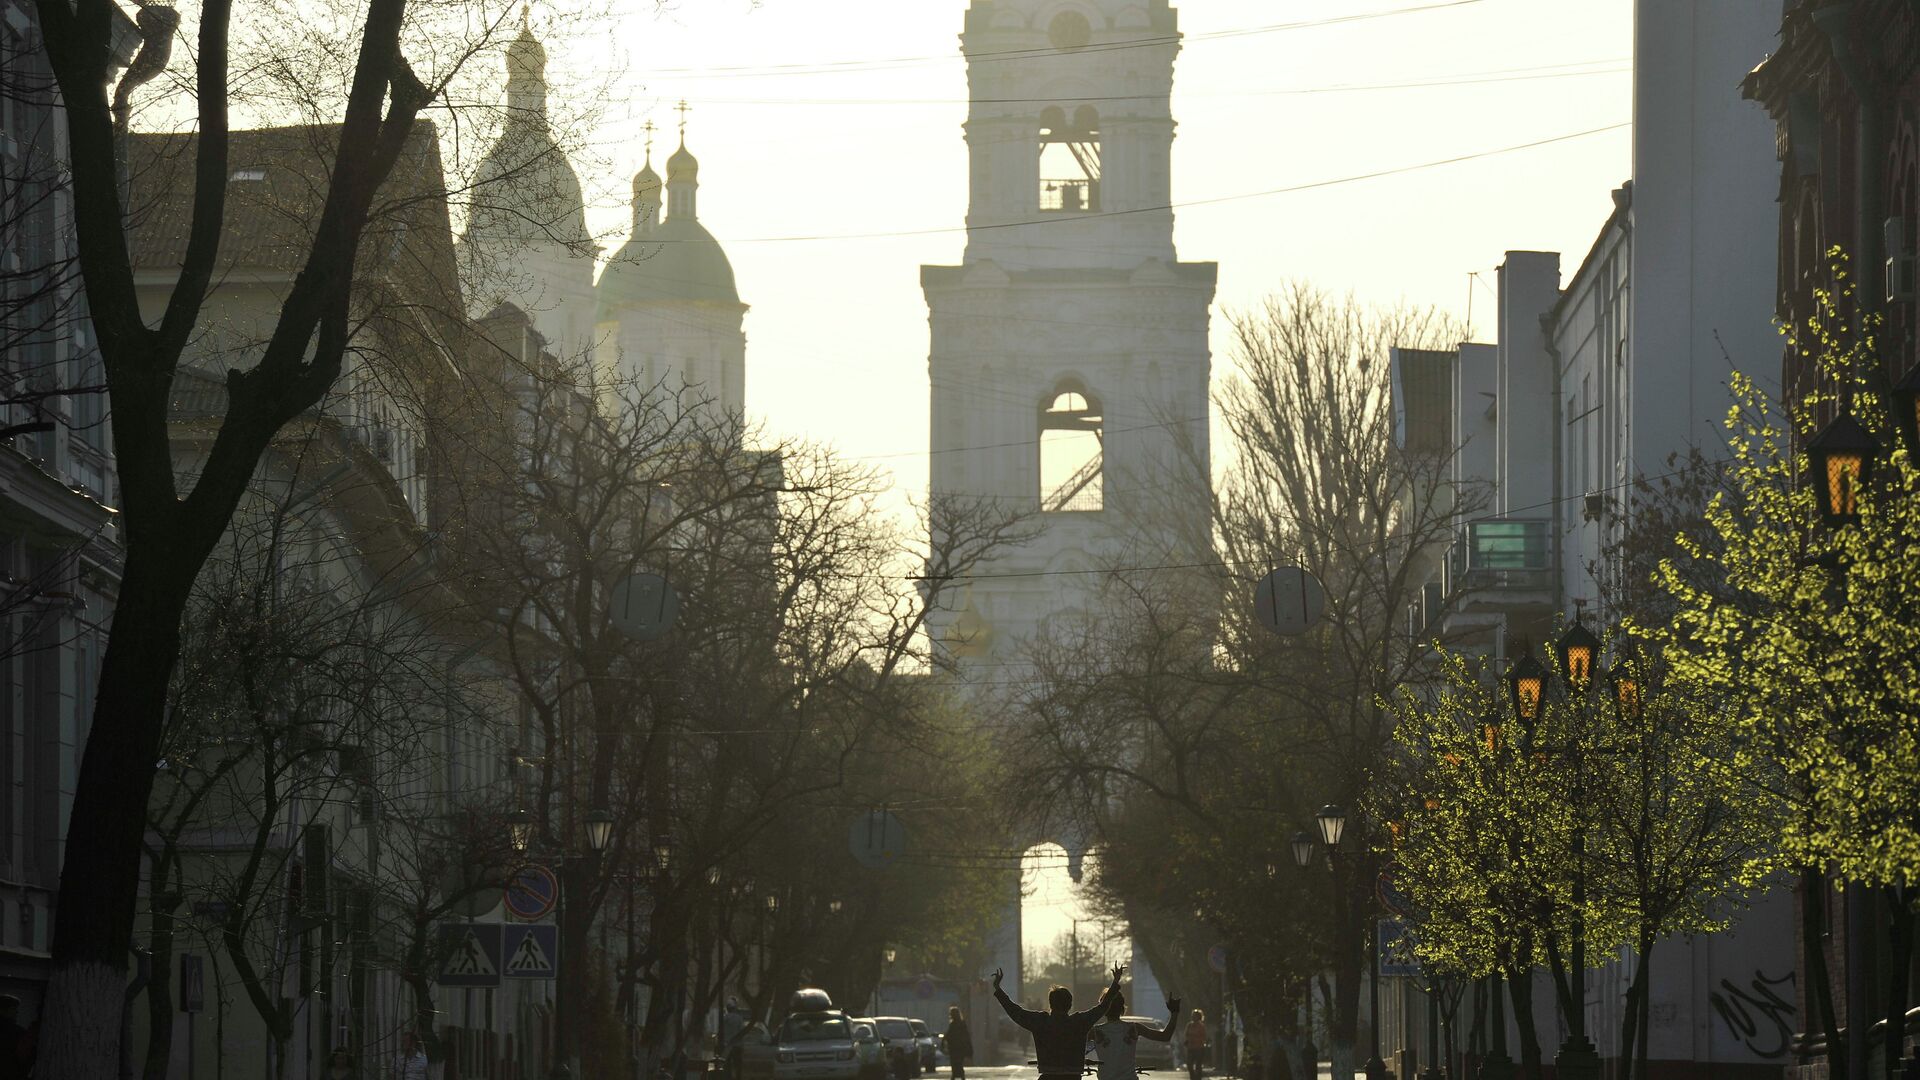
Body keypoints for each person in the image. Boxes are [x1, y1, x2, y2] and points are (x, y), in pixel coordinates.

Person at [992, 963, 1124, 1080]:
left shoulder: (1040, 1022)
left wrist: (998, 989)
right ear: (1070, 1004)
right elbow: (1103, 1006)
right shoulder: (1079, 1022)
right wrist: (1115, 982)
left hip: (1048, 1076)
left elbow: (1015, 1011)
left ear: (1050, 1004)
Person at [1086, 990, 1180, 1080]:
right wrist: (1174, 1013)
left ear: (1104, 1009)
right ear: (1122, 1008)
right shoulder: (1134, 1028)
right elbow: (1165, 1036)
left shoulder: (1095, 1032)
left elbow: (1073, 1044)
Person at [946, 1007, 973, 1080]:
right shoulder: (959, 1024)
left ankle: (957, 1075)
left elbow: (950, 1035)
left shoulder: (957, 1024)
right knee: (958, 1063)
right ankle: (958, 1075)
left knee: (956, 1063)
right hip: (957, 1048)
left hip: (957, 1048)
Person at [1183, 1010, 1207, 1080]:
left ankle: (1198, 1078)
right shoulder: (1189, 1025)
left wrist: (1197, 1039)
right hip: (1190, 1048)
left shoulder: (1201, 1026)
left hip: (1199, 1048)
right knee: (1189, 1064)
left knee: (1198, 1066)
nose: (1193, 1017)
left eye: (1194, 1016)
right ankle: (1193, 1077)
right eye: (1192, 1015)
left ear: (1198, 1017)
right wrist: (1187, 1040)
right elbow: (1186, 1034)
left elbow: (1204, 1037)